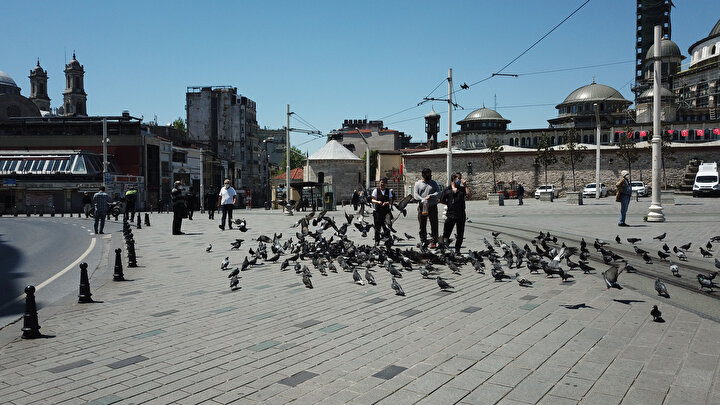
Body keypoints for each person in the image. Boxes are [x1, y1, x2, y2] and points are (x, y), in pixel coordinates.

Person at [440, 172, 471, 254]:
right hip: (450, 214)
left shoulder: (462, 189)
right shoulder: (447, 189)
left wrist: (465, 185)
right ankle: (444, 245)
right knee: (446, 232)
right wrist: (449, 204)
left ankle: (457, 250)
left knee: (460, 234)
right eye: (458, 179)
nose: (460, 180)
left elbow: (468, 195)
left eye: (460, 178)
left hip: (461, 214)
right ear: (453, 179)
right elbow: (441, 200)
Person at [413, 168, 441, 248]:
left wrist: (432, 195)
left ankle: (434, 241)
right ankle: (423, 240)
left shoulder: (434, 183)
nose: (430, 176)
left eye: (430, 174)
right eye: (428, 175)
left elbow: (439, 192)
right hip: (422, 207)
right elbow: (415, 194)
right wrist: (422, 199)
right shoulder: (418, 183)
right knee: (422, 225)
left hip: (432, 206)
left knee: (434, 224)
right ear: (423, 175)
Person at [371, 177, 394, 245]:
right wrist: (377, 201)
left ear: (385, 184)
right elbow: (372, 200)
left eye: (383, 182)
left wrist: (386, 203)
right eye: (381, 182)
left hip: (386, 212)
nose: (382, 184)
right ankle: (377, 240)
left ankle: (387, 240)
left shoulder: (388, 191)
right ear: (379, 183)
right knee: (377, 226)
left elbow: (390, 201)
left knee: (386, 226)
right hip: (377, 211)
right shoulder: (376, 190)